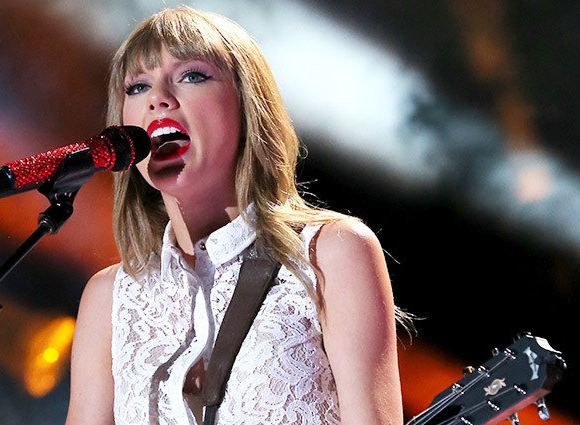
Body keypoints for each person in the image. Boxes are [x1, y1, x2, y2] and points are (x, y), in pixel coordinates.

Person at [65, 6, 404, 425]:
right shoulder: (109, 298)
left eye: (191, 76)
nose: (158, 99)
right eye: (137, 87)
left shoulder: (331, 253)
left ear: (248, 106)